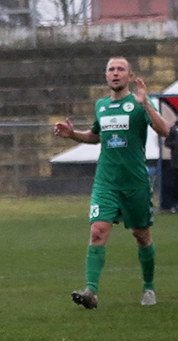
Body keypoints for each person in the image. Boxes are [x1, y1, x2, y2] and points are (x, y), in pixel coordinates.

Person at [54, 56, 170, 308]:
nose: (115, 73)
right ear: (106, 76)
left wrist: (147, 105)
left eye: (121, 69)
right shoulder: (102, 106)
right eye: (111, 69)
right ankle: (90, 292)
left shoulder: (138, 103)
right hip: (106, 182)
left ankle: (148, 288)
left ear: (129, 76)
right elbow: (96, 136)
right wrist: (73, 134)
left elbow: (165, 131)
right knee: (97, 231)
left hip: (135, 182)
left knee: (141, 235)